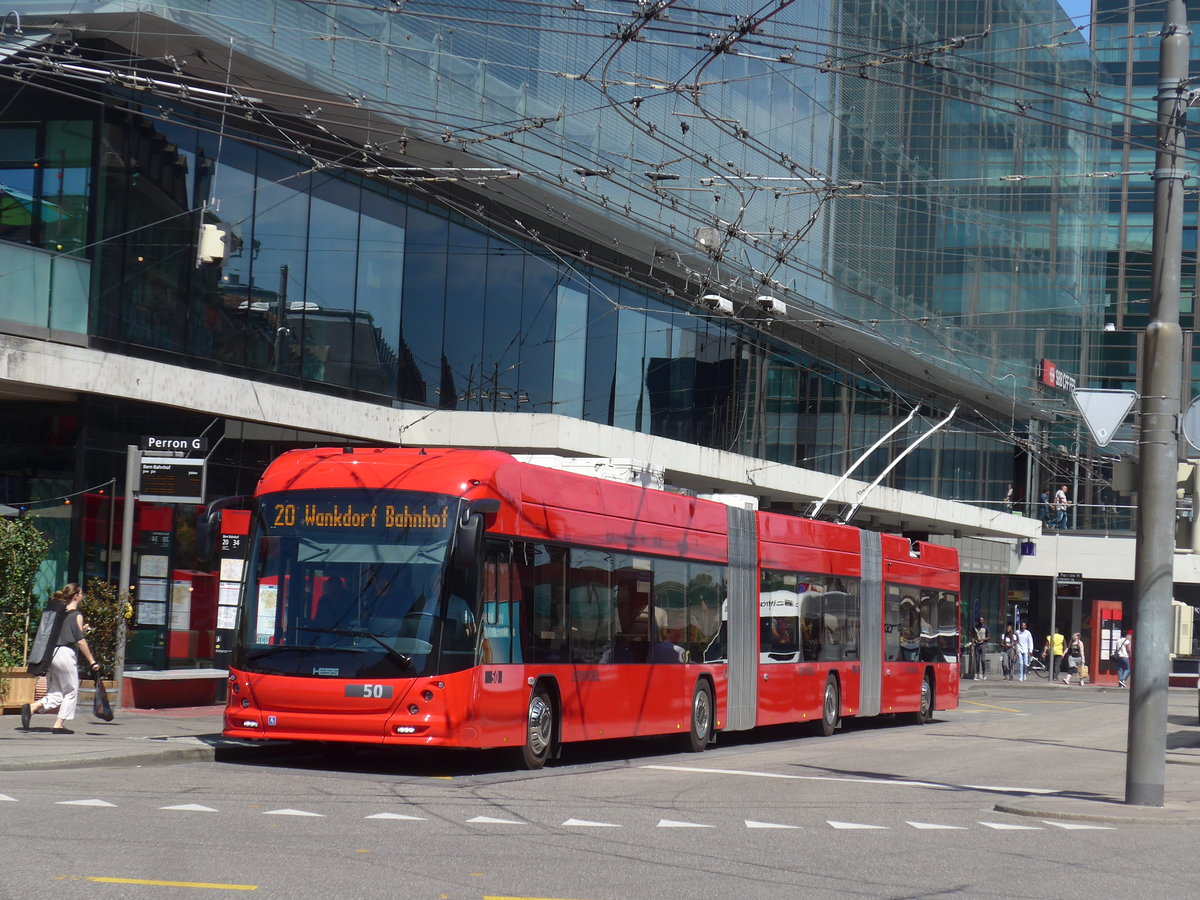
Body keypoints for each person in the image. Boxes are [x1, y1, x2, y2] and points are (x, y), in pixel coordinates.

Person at [20, 583, 100, 734]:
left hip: (52, 653)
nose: (82, 596)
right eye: (81, 593)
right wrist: (92, 661)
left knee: (56, 693)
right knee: (71, 690)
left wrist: (81, 630)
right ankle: (59, 725)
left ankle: (32, 707)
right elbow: (80, 641)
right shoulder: (77, 615)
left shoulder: (60, 612)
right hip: (65, 654)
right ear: (76, 596)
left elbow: (66, 632)